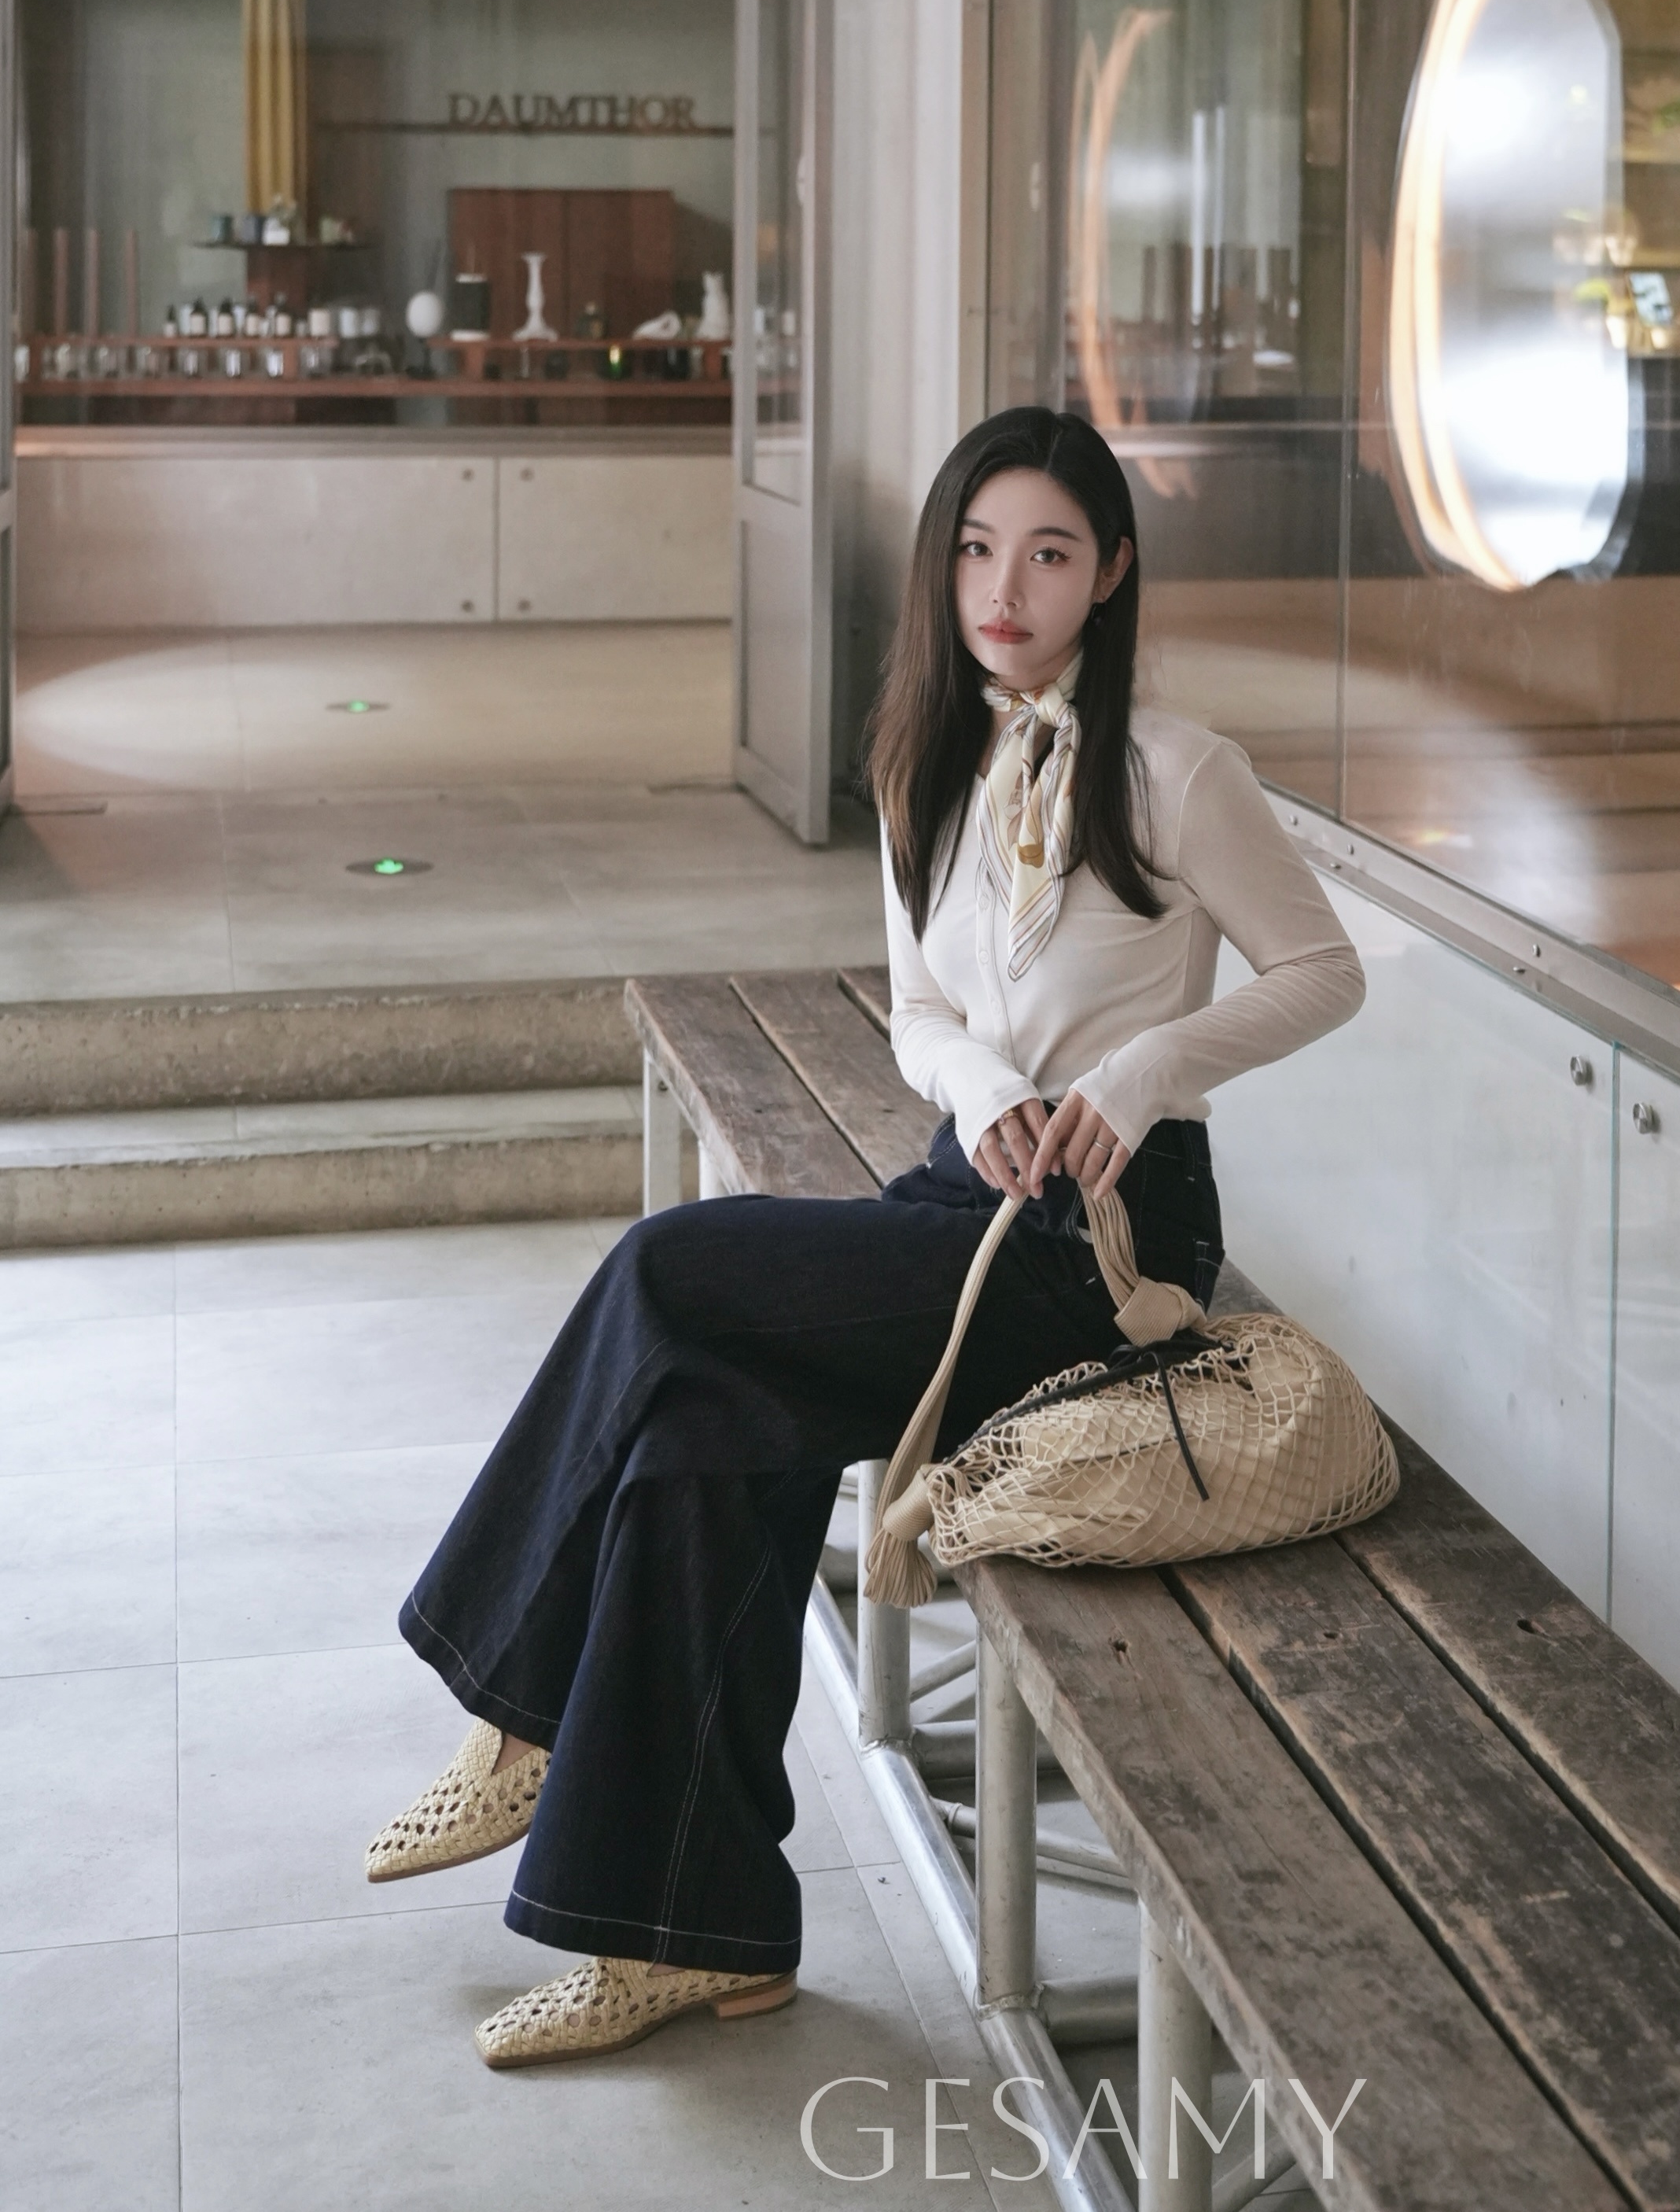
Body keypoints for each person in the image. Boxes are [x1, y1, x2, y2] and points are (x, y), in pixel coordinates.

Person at [363, 404, 1365, 2068]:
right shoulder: (923, 756)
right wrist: (984, 1088)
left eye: (1048, 553)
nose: (1005, 588)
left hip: (1105, 1243)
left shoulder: (1176, 769)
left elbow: (1322, 971)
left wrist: (1137, 1070)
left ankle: (516, 1706)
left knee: (663, 1269)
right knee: (701, 1425)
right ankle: (691, 1935)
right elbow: (918, 1012)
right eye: (975, 549)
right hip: (964, 1191)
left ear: (1109, 573)